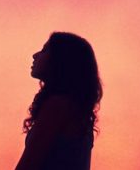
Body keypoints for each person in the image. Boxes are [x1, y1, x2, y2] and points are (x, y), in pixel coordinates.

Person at [15, 32, 102, 170]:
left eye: (44, 50)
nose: (35, 55)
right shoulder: (77, 110)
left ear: (60, 60)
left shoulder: (58, 106)